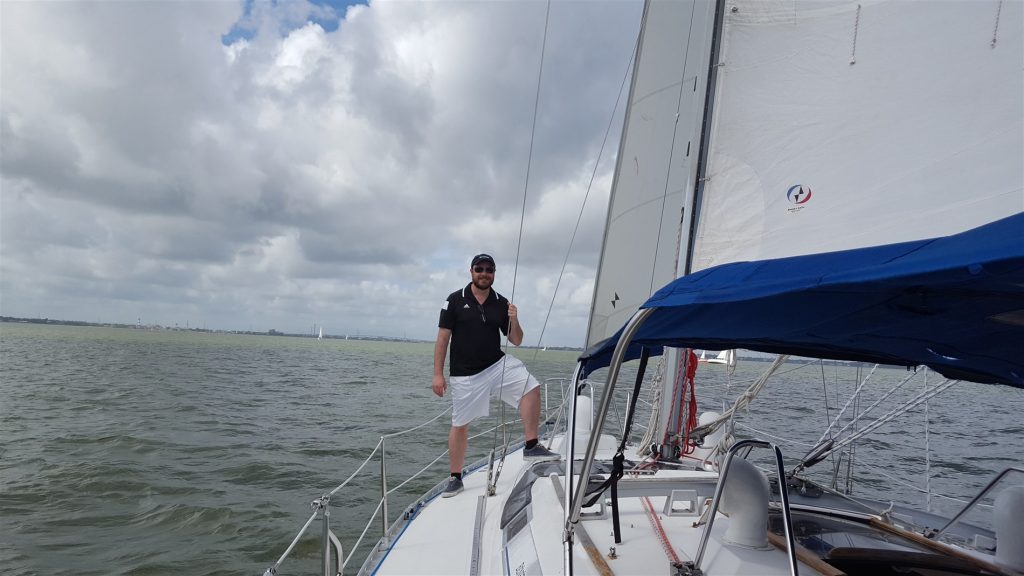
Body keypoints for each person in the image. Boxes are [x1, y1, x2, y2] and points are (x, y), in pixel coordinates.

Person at [432, 253, 560, 497]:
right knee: (460, 424)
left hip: (496, 365)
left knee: (531, 387)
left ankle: (531, 445)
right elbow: (442, 340)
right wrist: (437, 375)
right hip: (465, 373)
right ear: (471, 271)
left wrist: (514, 318)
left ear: (494, 273)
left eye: (489, 269)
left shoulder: (501, 302)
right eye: (479, 269)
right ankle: (455, 477)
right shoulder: (454, 301)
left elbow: (516, 340)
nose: (484, 273)